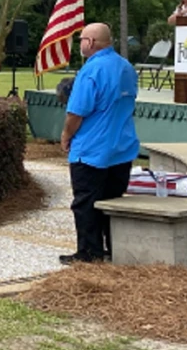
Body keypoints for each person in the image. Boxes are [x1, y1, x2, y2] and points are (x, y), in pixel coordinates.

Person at [58, 22, 139, 265]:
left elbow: (76, 113)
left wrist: (66, 135)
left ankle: (89, 253)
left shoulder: (91, 71)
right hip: (122, 148)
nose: (80, 43)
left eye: (81, 39)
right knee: (112, 203)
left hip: (91, 150)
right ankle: (114, 249)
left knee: (85, 203)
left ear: (90, 43)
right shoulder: (126, 68)